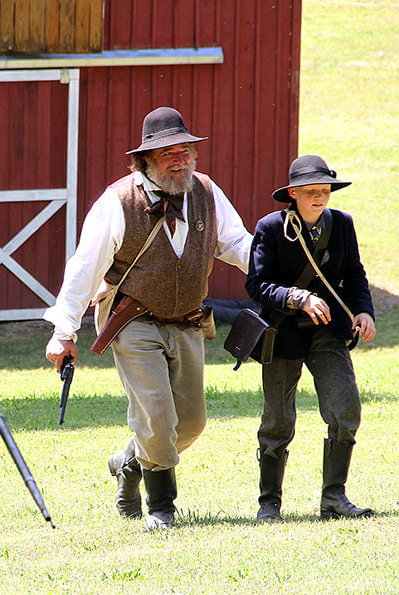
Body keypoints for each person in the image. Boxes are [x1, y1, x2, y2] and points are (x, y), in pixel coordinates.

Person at [44, 107, 252, 530]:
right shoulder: (117, 203)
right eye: (167, 153)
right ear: (144, 160)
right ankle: (162, 510)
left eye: (185, 150)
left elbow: (237, 245)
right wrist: (63, 332)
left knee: (190, 422)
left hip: (189, 320)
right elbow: (84, 269)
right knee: (157, 414)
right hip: (132, 320)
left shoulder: (207, 194)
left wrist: (285, 280)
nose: (180, 159)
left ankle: (128, 463)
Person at [245, 155, 375, 522]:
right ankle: (269, 503)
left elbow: (355, 275)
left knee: (346, 411)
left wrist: (363, 311)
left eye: (325, 191)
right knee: (277, 420)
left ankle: (334, 499)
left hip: (329, 333)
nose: (320, 197)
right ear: (293, 194)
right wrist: (296, 297)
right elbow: (256, 284)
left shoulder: (342, 225)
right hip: (282, 335)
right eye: (311, 192)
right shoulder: (270, 228)